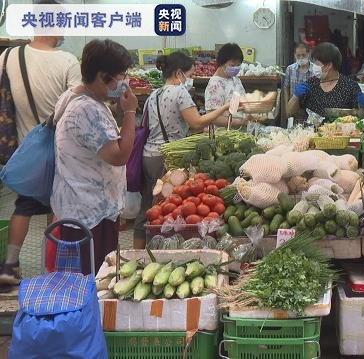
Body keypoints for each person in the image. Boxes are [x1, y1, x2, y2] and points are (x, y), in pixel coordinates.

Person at [0, 3, 81, 285]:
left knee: (23, 205)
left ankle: (9, 265)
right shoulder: (67, 61)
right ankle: (56, 268)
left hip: (27, 150)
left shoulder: (9, 56)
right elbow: (78, 104)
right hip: (63, 150)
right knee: (59, 207)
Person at [51, 39, 138, 275]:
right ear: (102, 76)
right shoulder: (87, 109)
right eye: (121, 75)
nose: (124, 81)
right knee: (93, 280)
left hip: (83, 209)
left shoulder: (74, 96)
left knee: (89, 275)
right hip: (89, 216)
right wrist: (130, 112)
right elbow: (119, 155)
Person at [132, 52, 234, 249]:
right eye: (190, 74)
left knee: (147, 207)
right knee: (167, 211)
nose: (191, 79)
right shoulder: (180, 92)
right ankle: (164, 251)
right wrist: (223, 108)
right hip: (168, 158)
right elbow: (196, 121)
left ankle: (137, 253)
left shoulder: (154, 93)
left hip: (148, 155)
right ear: (179, 73)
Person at [286, 42, 364, 119]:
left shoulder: (350, 86)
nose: (314, 66)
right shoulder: (310, 84)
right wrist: (295, 97)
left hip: (340, 132)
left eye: (317, 63)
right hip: (311, 133)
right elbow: (289, 112)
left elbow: (361, 117)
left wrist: (363, 107)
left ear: (328, 65)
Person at [204, 43, 249, 128]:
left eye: (238, 65)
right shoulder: (215, 85)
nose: (236, 68)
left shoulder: (235, 79)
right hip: (224, 135)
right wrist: (240, 122)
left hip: (240, 132)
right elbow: (213, 117)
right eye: (232, 65)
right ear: (222, 63)